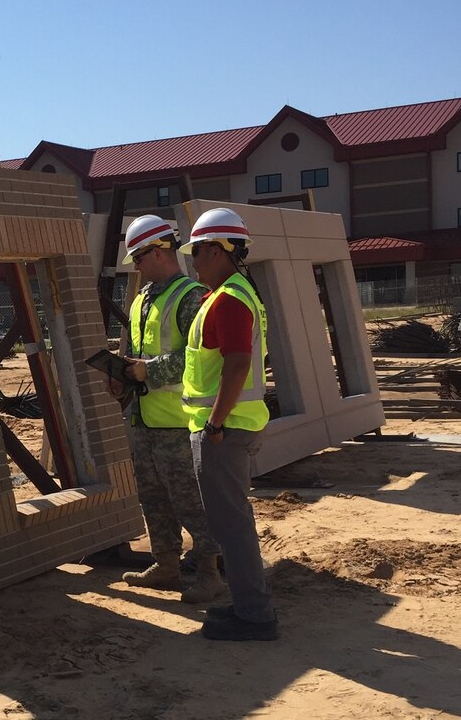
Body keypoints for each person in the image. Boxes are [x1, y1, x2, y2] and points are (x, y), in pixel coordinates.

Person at [109, 215, 225, 603]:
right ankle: (167, 564)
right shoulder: (143, 298)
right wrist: (121, 371)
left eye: (139, 258)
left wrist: (148, 371)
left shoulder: (191, 296)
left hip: (178, 421)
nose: (136, 266)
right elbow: (138, 353)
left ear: (158, 251)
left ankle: (209, 572)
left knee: (190, 501)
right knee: (153, 498)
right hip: (143, 419)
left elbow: (199, 357)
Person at [179, 206, 278, 641]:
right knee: (230, 523)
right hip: (233, 425)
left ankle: (254, 616)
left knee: (232, 526)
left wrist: (215, 424)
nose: (193, 260)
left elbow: (237, 365)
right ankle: (245, 606)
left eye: (197, 251)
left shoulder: (231, 300)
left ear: (218, 251)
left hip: (226, 430)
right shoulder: (228, 295)